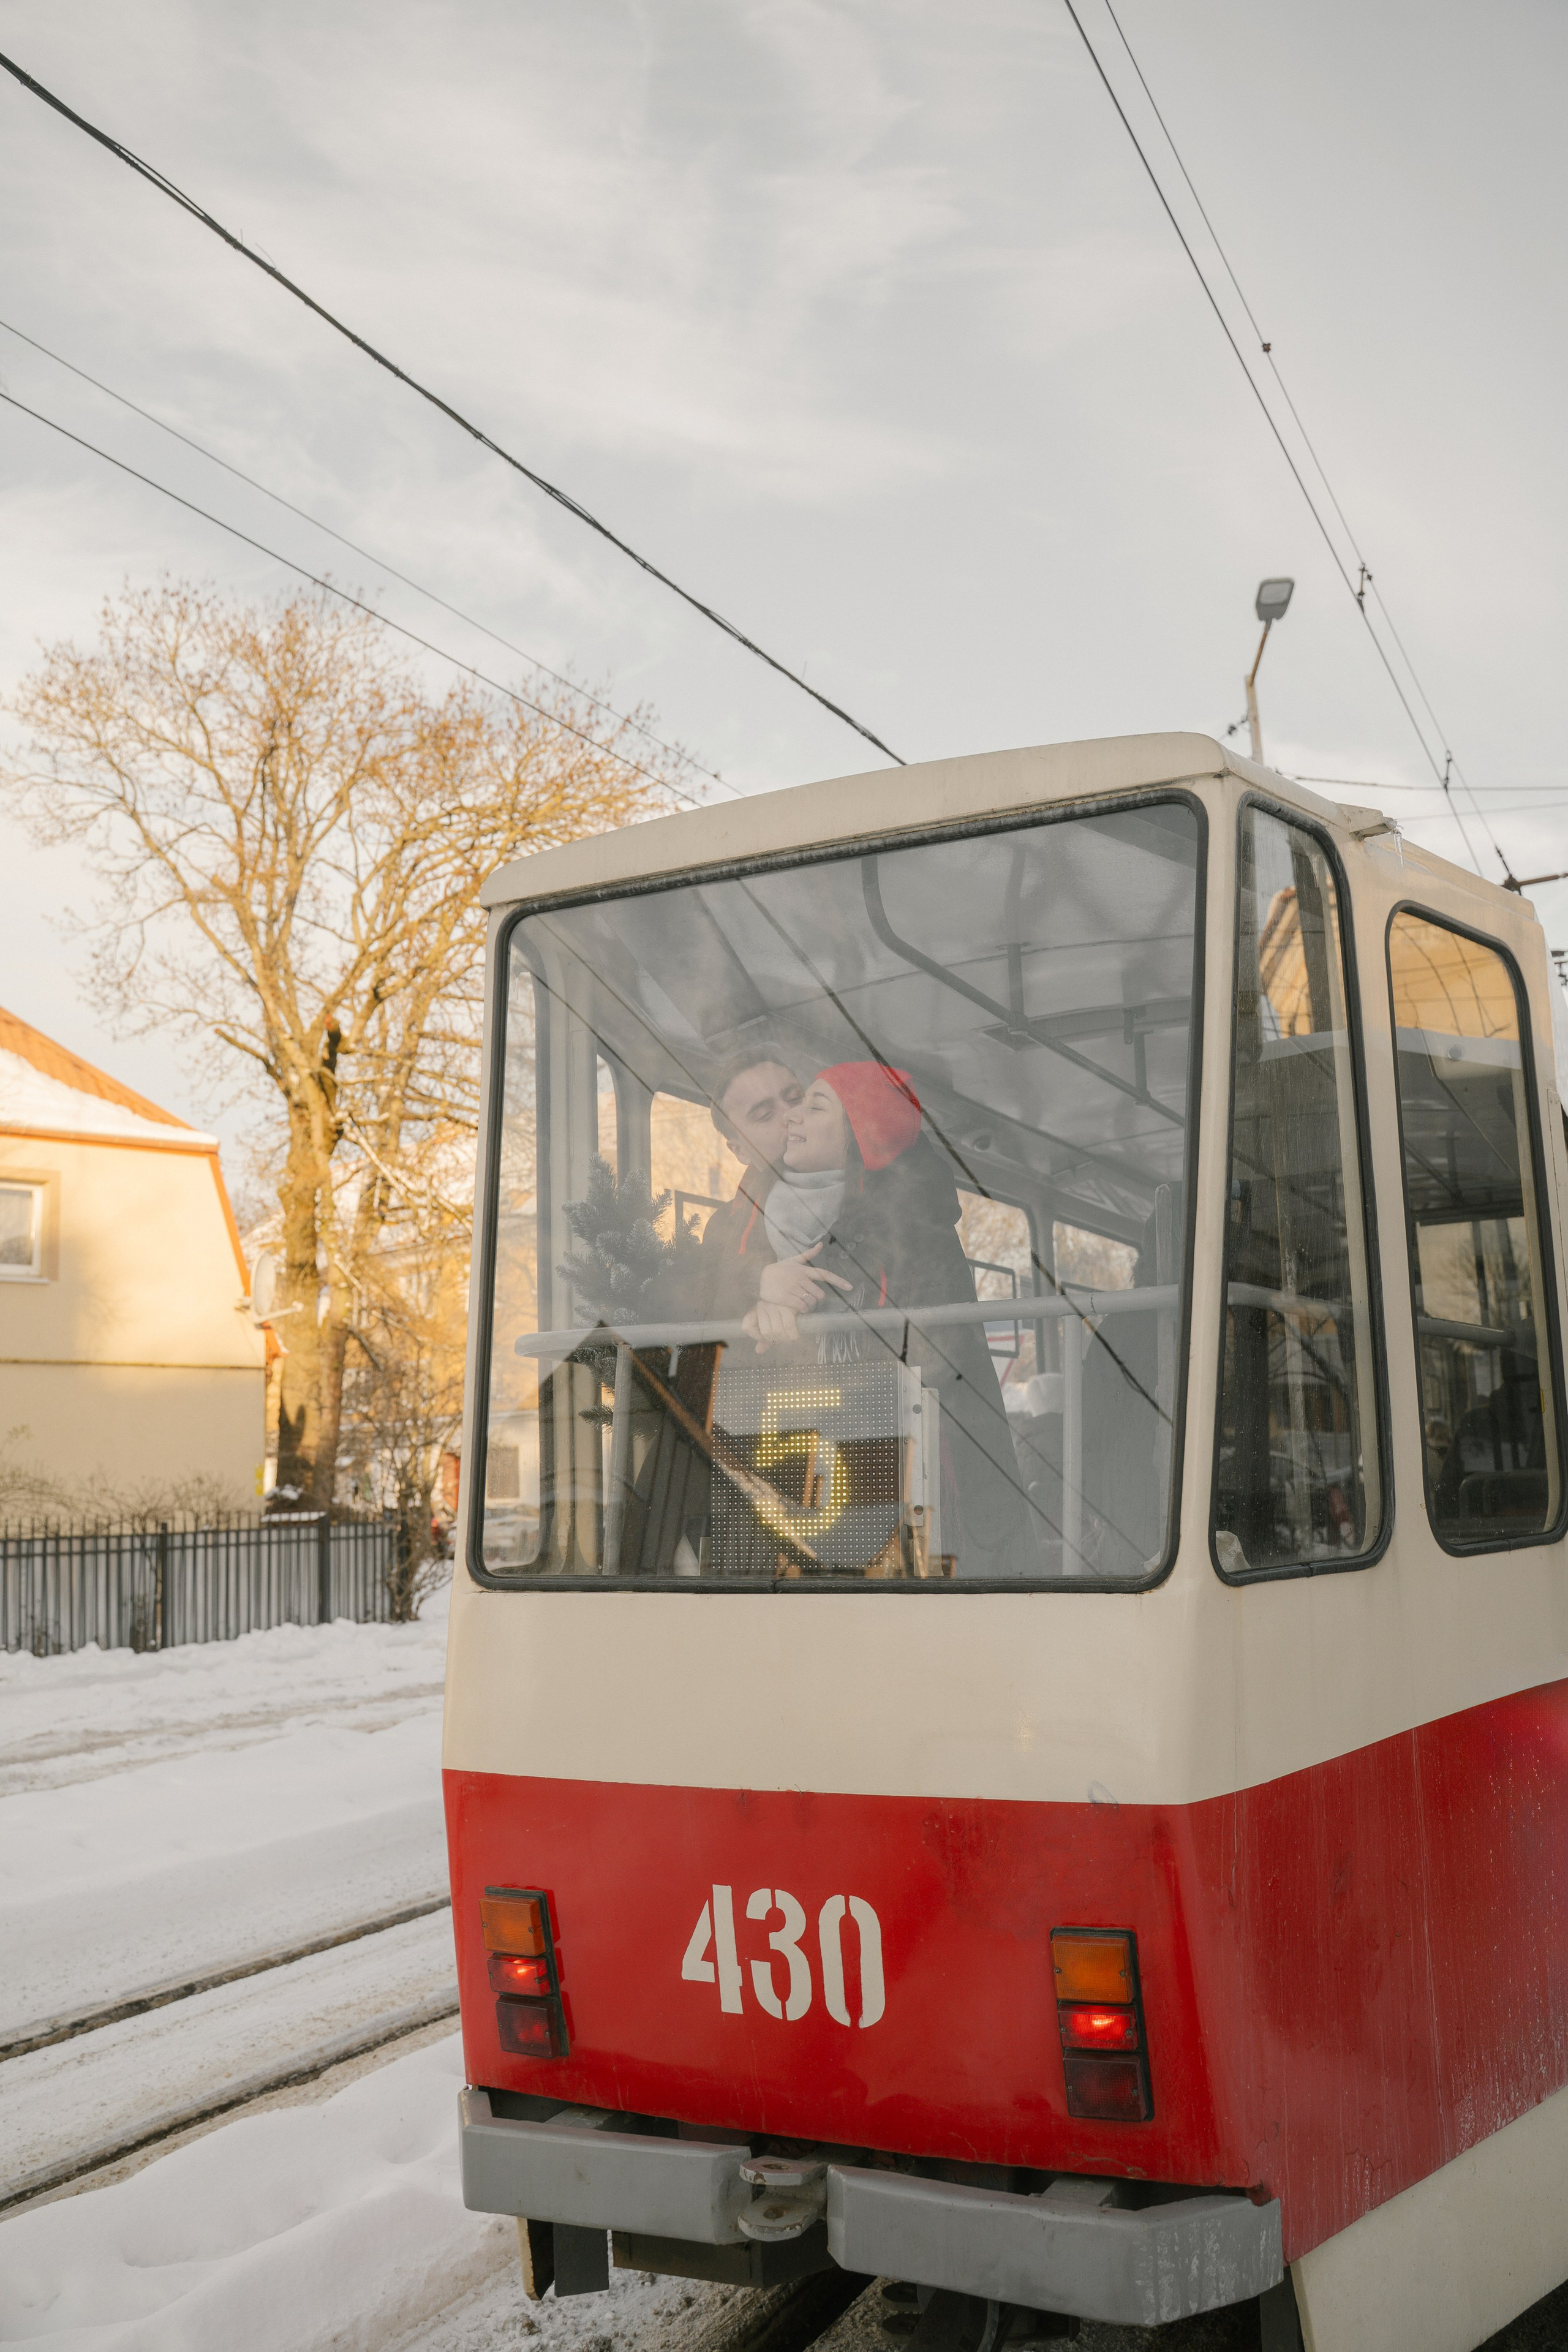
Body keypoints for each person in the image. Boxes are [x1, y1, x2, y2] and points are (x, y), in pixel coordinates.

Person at [741, 1061, 1032, 1578]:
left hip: (915, 1467)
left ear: (861, 1133)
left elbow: (934, 1360)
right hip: (809, 1462)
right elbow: (705, 1290)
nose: (792, 1118)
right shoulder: (755, 1220)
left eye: (815, 1105)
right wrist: (757, 1296)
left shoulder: (915, 1227)